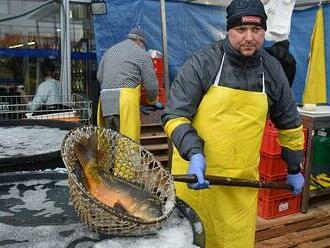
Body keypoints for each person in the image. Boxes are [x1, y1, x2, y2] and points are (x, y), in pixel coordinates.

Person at [161, 0, 305, 247]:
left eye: (256, 30)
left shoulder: (272, 70)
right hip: (195, 181)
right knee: (193, 239)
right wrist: (194, 154)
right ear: (228, 29)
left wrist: (294, 169)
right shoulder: (203, 62)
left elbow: (290, 126)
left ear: (264, 31)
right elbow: (175, 116)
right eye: (241, 30)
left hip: (241, 186)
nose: (249, 37)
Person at [97, 27, 162, 142]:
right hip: (124, 101)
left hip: (105, 102)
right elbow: (151, 85)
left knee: (110, 144)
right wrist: (152, 101)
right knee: (127, 144)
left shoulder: (110, 51)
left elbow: (99, 76)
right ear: (141, 42)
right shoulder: (142, 54)